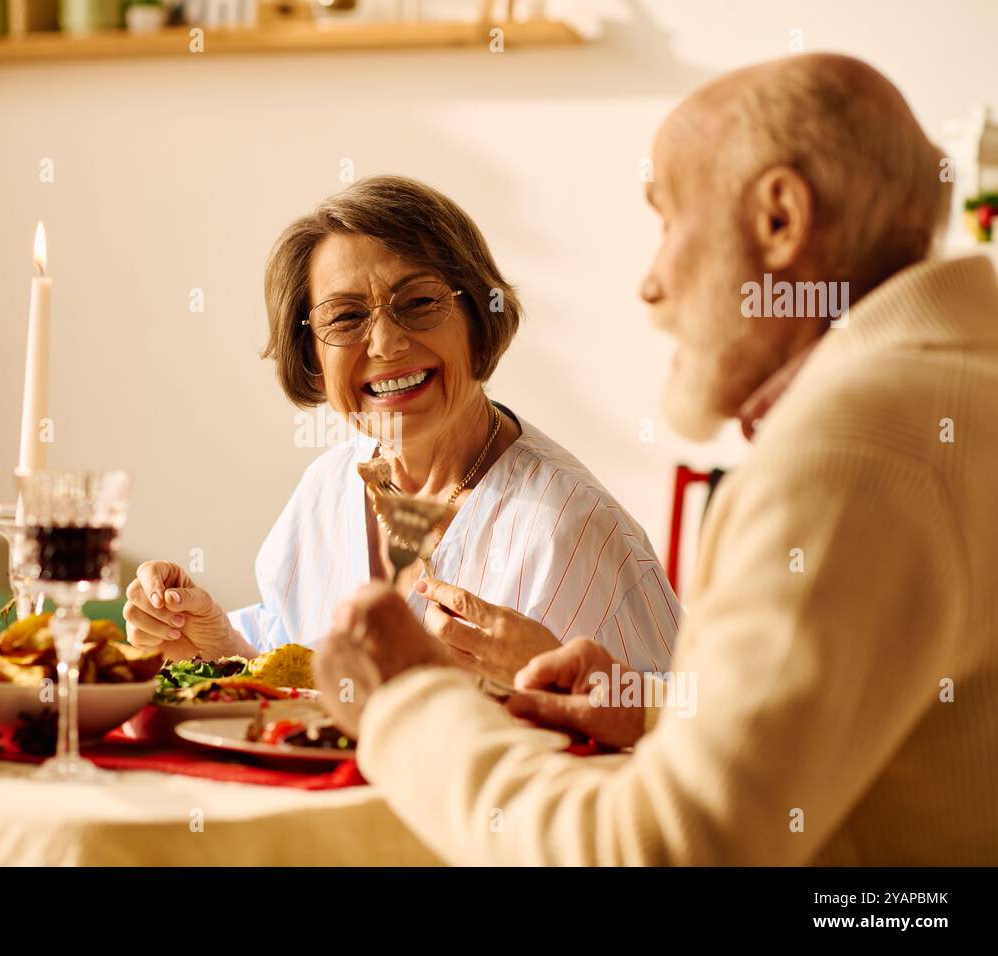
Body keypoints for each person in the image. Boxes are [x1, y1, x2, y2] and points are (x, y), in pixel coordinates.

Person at [314, 54, 998, 864]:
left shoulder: (852, 443)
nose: (650, 283)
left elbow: (664, 855)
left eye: (668, 221)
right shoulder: (955, 385)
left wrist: (408, 703)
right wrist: (652, 706)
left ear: (780, 219)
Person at [124, 176, 679, 682]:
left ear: (478, 323)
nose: (387, 344)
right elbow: (291, 665)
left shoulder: (573, 529)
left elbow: (693, 737)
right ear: (312, 355)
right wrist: (218, 644)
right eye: (345, 317)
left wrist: (559, 685)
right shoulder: (328, 486)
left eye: (418, 303)